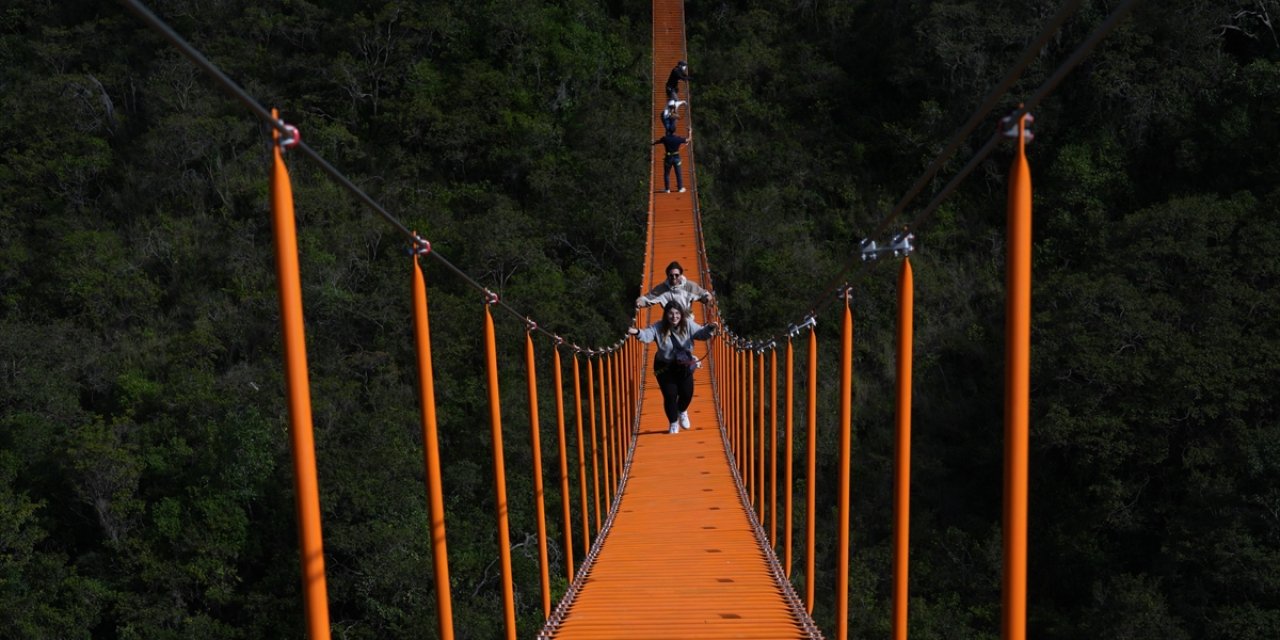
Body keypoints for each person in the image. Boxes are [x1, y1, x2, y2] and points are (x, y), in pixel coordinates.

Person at [628, 301, 718, 434]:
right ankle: (673, 423)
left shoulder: (688, 324)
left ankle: (682, 411)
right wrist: (635, 331)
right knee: (670, 395)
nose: (674, 316)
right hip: (664, 367)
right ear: (665, 315)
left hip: (683, 366)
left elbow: (701, 333)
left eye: (677, 313)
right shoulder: (659, 327)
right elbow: (647, 336)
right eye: (670, 313)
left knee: (687, 394)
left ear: (681, 314)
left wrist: (710, 328)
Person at [636, 261, 711, 312]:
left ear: (681, 275)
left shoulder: (689, 286)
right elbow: (647, 299)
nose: (674, 277)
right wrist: (639, 302)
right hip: (670, 321)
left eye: (676, 275)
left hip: (686, 320)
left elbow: (704, 294)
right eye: (671, 275)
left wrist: (707, 298)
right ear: (667, 276)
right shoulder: (662, 289)